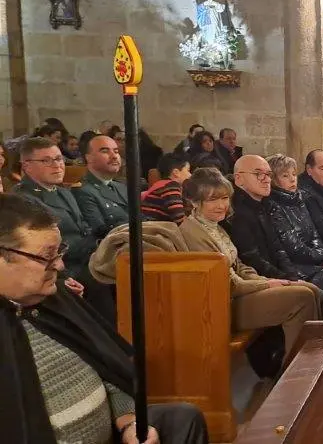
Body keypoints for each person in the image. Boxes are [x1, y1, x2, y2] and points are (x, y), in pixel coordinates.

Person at [0, 193, 210, 444]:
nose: (60, 266)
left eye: (59, 252)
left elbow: (108, 371)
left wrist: (130, 423)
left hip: (113, 435)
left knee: (182, 419)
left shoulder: (57, 300)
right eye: (47, 256)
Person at [179, 168, 321, 376]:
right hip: (223, 305)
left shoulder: (214, 226)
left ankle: (312, 366)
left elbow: (240, 266)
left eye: (225, 198)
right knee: (302, 297)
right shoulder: (193, 232)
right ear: (194, 202)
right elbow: (227, 283)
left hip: (240, 291)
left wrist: (265, 279)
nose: (221, 206)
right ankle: (296, 376)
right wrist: (267, 284)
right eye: (212, 200)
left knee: (311, 289)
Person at [230, 154, 323, 318]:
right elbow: (254, 259)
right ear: (239, 179)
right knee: (320, 294)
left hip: (282, 273)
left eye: (268, 175)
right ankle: (317, 340)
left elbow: (280, 249)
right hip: (261, 282)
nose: (266, 179)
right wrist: (289, 279)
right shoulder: (240, 215)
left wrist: (292, 276)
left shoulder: (264, 206)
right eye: (258, 174)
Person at [15, 137, 114, 323]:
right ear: (27, 166)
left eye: (59, 159)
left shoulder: (63, 192)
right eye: (46, 160)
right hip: (63, 268)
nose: (57, 165)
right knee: (107, 280)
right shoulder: (24, 199)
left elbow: (85, 228)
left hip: (88, 259)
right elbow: (42, 248)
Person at [73, 135, 130, 237]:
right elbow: (99, 231)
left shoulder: (121, 187)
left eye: (116, 151)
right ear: (88, 157)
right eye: (105, 151)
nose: (114, 156)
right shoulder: (83, 191)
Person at [141, 154, 191, 224]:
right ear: (176, 172)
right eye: (188, 170)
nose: (190, 175)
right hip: (157, 230)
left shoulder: (160, 184)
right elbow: (179, 219)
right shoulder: (171, 186)